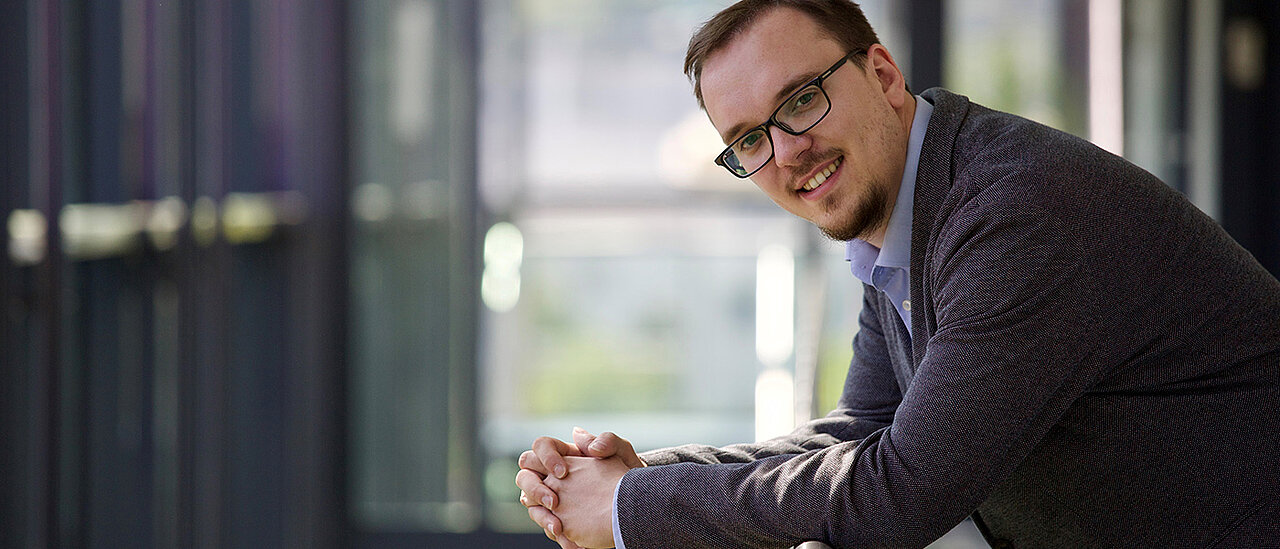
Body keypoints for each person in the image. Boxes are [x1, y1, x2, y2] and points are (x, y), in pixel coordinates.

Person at [514, 1, 1280, 547]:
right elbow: (861, 429)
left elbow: (901, 491)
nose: (786, 152)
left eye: (802, 100)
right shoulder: (908, 215)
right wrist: (644, 476)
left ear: (881, 74)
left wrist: (629, 506)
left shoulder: (1012, 216)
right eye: (748, 140)